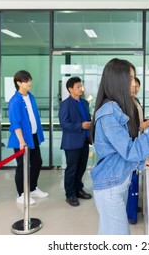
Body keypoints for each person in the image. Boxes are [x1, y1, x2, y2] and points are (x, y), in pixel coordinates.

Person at [90, 58, 149, 235]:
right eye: (130, 78)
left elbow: (118, 153)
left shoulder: (116, 107)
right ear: (117, 81)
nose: (134, 83)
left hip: (115, 182)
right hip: (110, 188)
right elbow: (129, 150)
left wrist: (140, 164)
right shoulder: (110, 111)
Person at [7, 70, 48, 205]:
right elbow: (15, 123)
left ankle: (32, 188)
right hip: (21, 139)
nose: (29, 83)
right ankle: (21, 194)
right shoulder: (14, 101)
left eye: (30, 80)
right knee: (22, 166)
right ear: (19, 83)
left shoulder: (31, 97)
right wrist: (22, 141)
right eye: (26, 81)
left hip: (33, 136)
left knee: (37, 162)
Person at [59, 76, 92, 207]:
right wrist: (80, 126)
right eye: (78, 87)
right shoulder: (65, 104)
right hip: (72, 142)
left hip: (84, 140)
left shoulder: (84, 103)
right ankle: (70, 194)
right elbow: (64, 124)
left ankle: (78, 189)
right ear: (70, 89)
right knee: (72, 169)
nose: (81, 89)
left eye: (81, 86)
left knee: (81, 167)